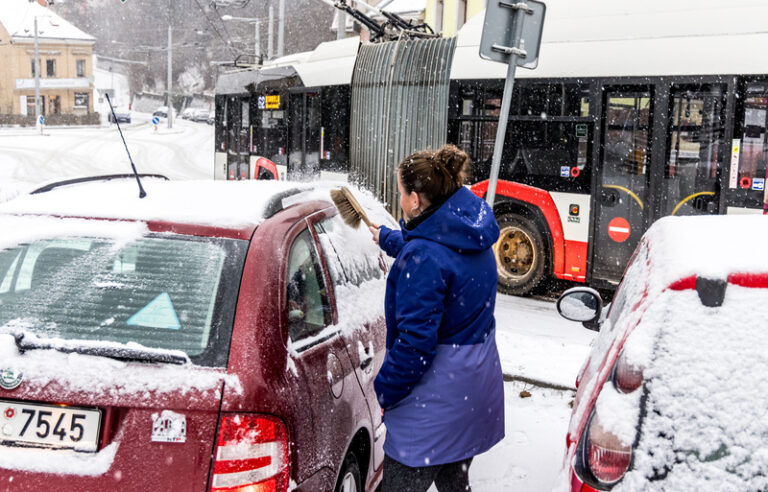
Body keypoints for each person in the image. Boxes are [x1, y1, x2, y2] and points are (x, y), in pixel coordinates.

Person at [369, 144, 504, 492]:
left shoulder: (424, 258)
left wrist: (384, 390)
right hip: (473, 390)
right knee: (454, 481)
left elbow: (415, 346)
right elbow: (440, 255)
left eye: (400, 193)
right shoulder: (470, 232)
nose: (399, 200)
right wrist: (389, 239)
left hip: (434, 404)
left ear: (415, 200)